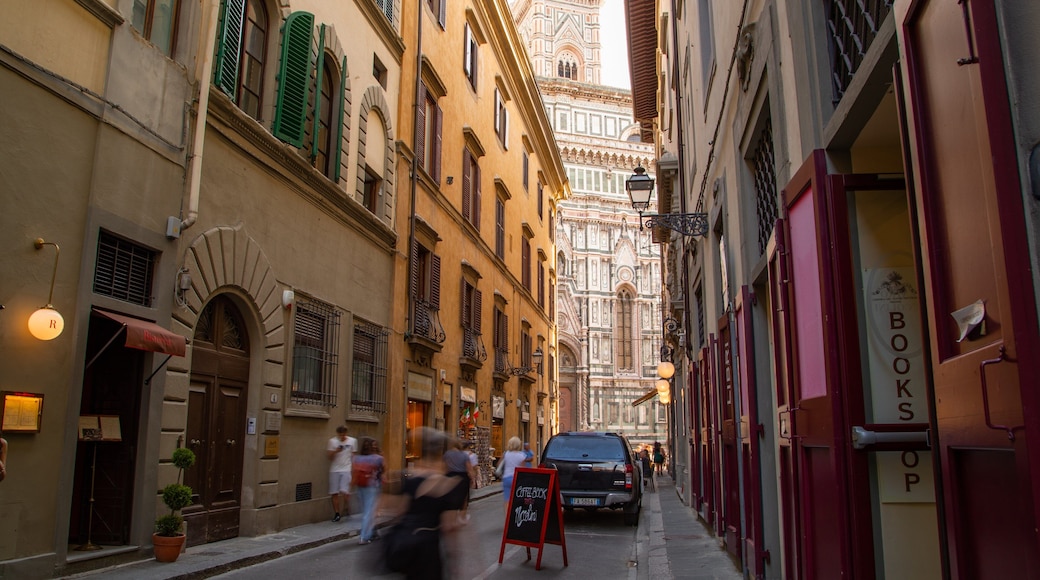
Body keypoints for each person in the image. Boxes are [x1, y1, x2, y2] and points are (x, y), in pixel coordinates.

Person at [379, 427, 468, 580]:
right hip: (428, 549)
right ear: (441, 453)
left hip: (409, 547)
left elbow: (399, 511)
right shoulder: (446, 484)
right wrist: (453, 559)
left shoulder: (411, 478)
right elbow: (448, 527)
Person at [353, 437, 384, 544]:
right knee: (369, 512)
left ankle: (370, 533)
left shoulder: (357, 458)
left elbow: (354, 474)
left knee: (365, 512)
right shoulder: (378, 458)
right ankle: (364, 536)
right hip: (372, 486)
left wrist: (350, 486)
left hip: (360, 486)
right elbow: (383, 471)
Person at [327, 425, 357, 522]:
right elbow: (329, 457)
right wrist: (336, 451)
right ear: (338, 434)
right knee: (334, 492)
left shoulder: (352, 441)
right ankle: (337, 513)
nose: (342, 436)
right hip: (334, 469)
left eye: (344, 434)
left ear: (346, 433)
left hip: (346, 469)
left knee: (345, 491)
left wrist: (353, 468)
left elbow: (353, 456)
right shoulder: (332, 441)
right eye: (340, 434)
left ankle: (347, 508)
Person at [443, 438, 472, 518]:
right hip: (462, 478)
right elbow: (469, 469)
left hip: (450, 476)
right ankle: (463, 516)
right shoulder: (464, 455)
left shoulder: (447, 454)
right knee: (464, 498)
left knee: (451, 496)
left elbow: (444, 467)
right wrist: (472, 479)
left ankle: (452, 515)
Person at [499, 437, 528, 514]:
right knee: (517, 498)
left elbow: (499, 465)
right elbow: (523, 470)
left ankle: (507, 516)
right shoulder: (522, 456)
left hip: (506, 477)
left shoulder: (506, 454)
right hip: (516, 478)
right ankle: (515, 515)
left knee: (507, 499)